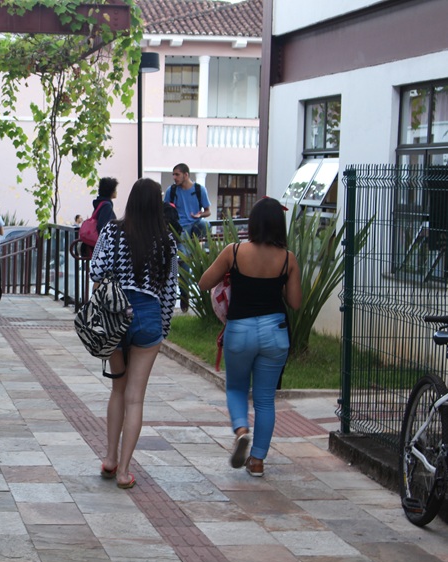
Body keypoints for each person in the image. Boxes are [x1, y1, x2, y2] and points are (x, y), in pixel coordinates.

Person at [198, 197, 302, 478]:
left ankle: (241, 430)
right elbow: (294, 302)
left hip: (240, 331)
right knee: (266, 399)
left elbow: (204, 282)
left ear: (253, 224)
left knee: (236, 389)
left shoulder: (234, 252)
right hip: (275, 331)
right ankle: (257, 461)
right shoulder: (288, 259)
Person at [90, 178, 178, 489]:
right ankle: (125, 471)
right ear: (157, 204)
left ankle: (110, 459)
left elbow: (96, 271)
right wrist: (162, 328)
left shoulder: (113, 230)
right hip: (149, 316)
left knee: (117, 391)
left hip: (116, 314)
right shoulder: (166, 240)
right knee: (136, 398)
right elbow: (170, 292)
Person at [167, 163, 211, 313]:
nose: (174, 177)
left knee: (207, 225)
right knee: (183, 261)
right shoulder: (171, 191)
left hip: (195, 225)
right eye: (173, 174)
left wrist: (199, 215)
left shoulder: (199, 189)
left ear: (186, 175)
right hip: (180, 229)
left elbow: (208, 211)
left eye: (177, 174)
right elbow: (165, 210)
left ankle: (197, 248)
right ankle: (185, 296)